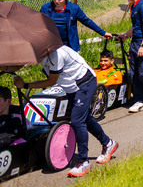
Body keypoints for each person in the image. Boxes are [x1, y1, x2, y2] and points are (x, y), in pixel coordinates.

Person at [9, 44, 118, 177]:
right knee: (86, 118)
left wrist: (26, 85)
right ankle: (108, 143)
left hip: (84, 83)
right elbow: (20, 64)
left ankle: (83, 162)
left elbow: (51, 81)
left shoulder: (56, 55)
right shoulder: (40, 50)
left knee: (77, 120)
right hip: (71, 86)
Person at [40, 0, 113, 52]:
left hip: (69, 44)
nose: (57, 1)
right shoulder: (46, 8)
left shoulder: (73, 8)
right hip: (52, 44)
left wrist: (103, 33)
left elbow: (87, 21)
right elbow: (39, 24)